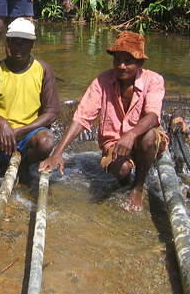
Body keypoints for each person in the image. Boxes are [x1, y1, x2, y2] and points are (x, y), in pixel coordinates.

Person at [39, 32, 168, 212]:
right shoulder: (102, 82)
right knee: (122, 170)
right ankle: (126, 183)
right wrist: (57, 153)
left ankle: (138, 187)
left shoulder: (153, 80)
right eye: (117, 60)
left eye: (128, 61)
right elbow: (82, 118)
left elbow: (153, 116)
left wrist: (131, 134)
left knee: (147, 137)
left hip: (142, 137)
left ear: (140, 63)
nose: (121, 66)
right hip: (114, 142)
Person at [0, 18, 59, 182]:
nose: (18, 47)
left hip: (28, 132)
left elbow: (52, 112)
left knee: (46, 141)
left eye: (24, 42)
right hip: (2, 132)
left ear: (32, 44)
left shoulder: (43, 70)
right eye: (14, 42)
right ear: (8, 44)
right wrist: (2, 122)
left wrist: (21, 131)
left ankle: (24, 167)